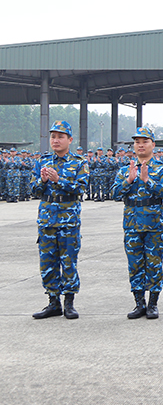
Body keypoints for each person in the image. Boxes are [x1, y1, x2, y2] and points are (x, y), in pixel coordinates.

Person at [112, 127, 163, 319]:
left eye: (145, 141)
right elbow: (114, 194)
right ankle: (139, 303)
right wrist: (129, 181)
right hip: (132, 224)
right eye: (137, 141)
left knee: (154, 264)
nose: (140, 145)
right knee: (135, 264)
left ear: (153, 145)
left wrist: (148, 181)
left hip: (154, 225)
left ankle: (153, 304)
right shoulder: (125, 170)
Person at [29, 121, 90, 319]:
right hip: (47, 220)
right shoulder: (43, 161)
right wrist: (43, 181)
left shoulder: (79, 162)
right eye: (53, 137)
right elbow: (33, 190)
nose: (55, 140)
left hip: (68, 221)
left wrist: (58, 180)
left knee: (68, 261)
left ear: (69, 140)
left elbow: (81, 188)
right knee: (47, 262)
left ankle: (69, 302)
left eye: (60, 137)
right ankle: (53, 302)